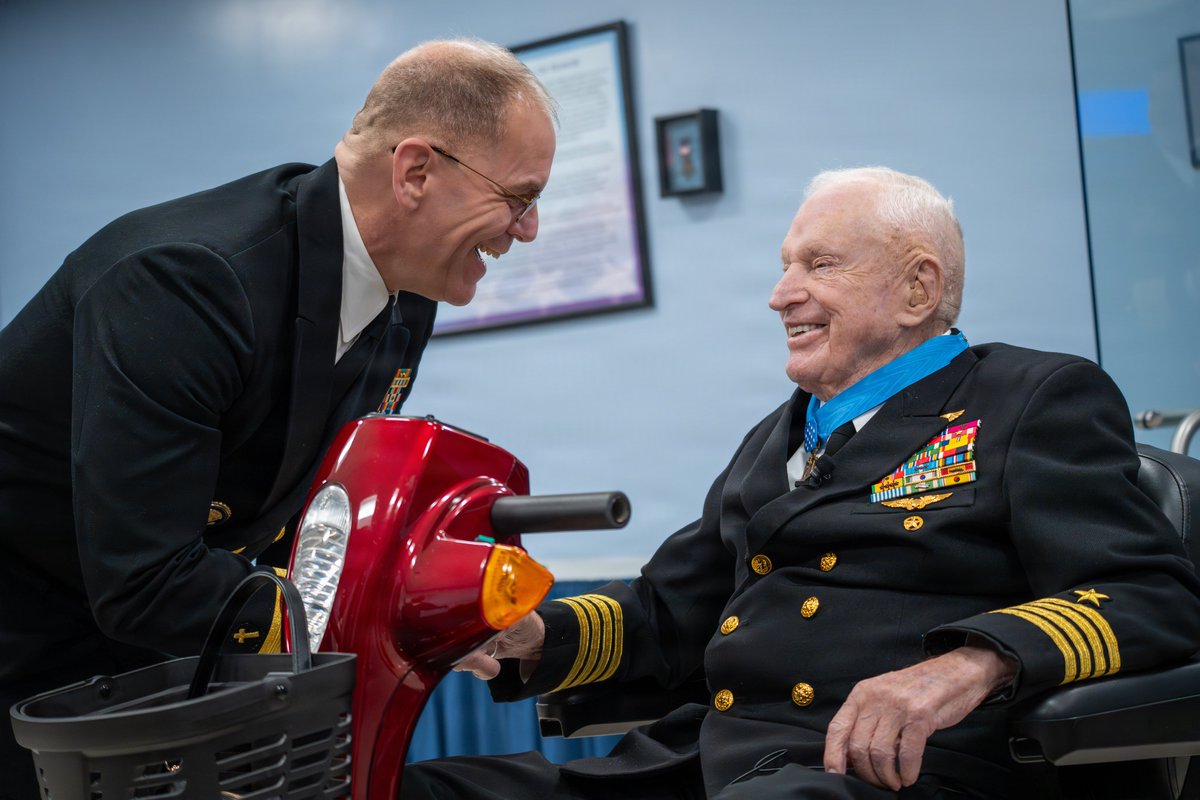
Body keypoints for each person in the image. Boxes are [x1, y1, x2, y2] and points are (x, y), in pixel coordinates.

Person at [404, 167, 1200, 799]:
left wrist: (969, 665)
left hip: (897, 774)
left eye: (819, 264)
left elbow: (1151, 596)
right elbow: (670, 611)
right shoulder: (778, 435)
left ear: (919, 289)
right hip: (702, 763)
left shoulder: (1031, 398)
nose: (781, 294)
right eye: (785, 266)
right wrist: (531, 635)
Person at [0, 38, 556, 797]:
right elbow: (146, 580)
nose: (526, 230)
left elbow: (312, 508)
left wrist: (442, 601)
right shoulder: (188, 280)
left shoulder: (406, 299)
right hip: (28, 645)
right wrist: (386, 617)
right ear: (416, 171)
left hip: (157, 654)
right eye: (519, 198)